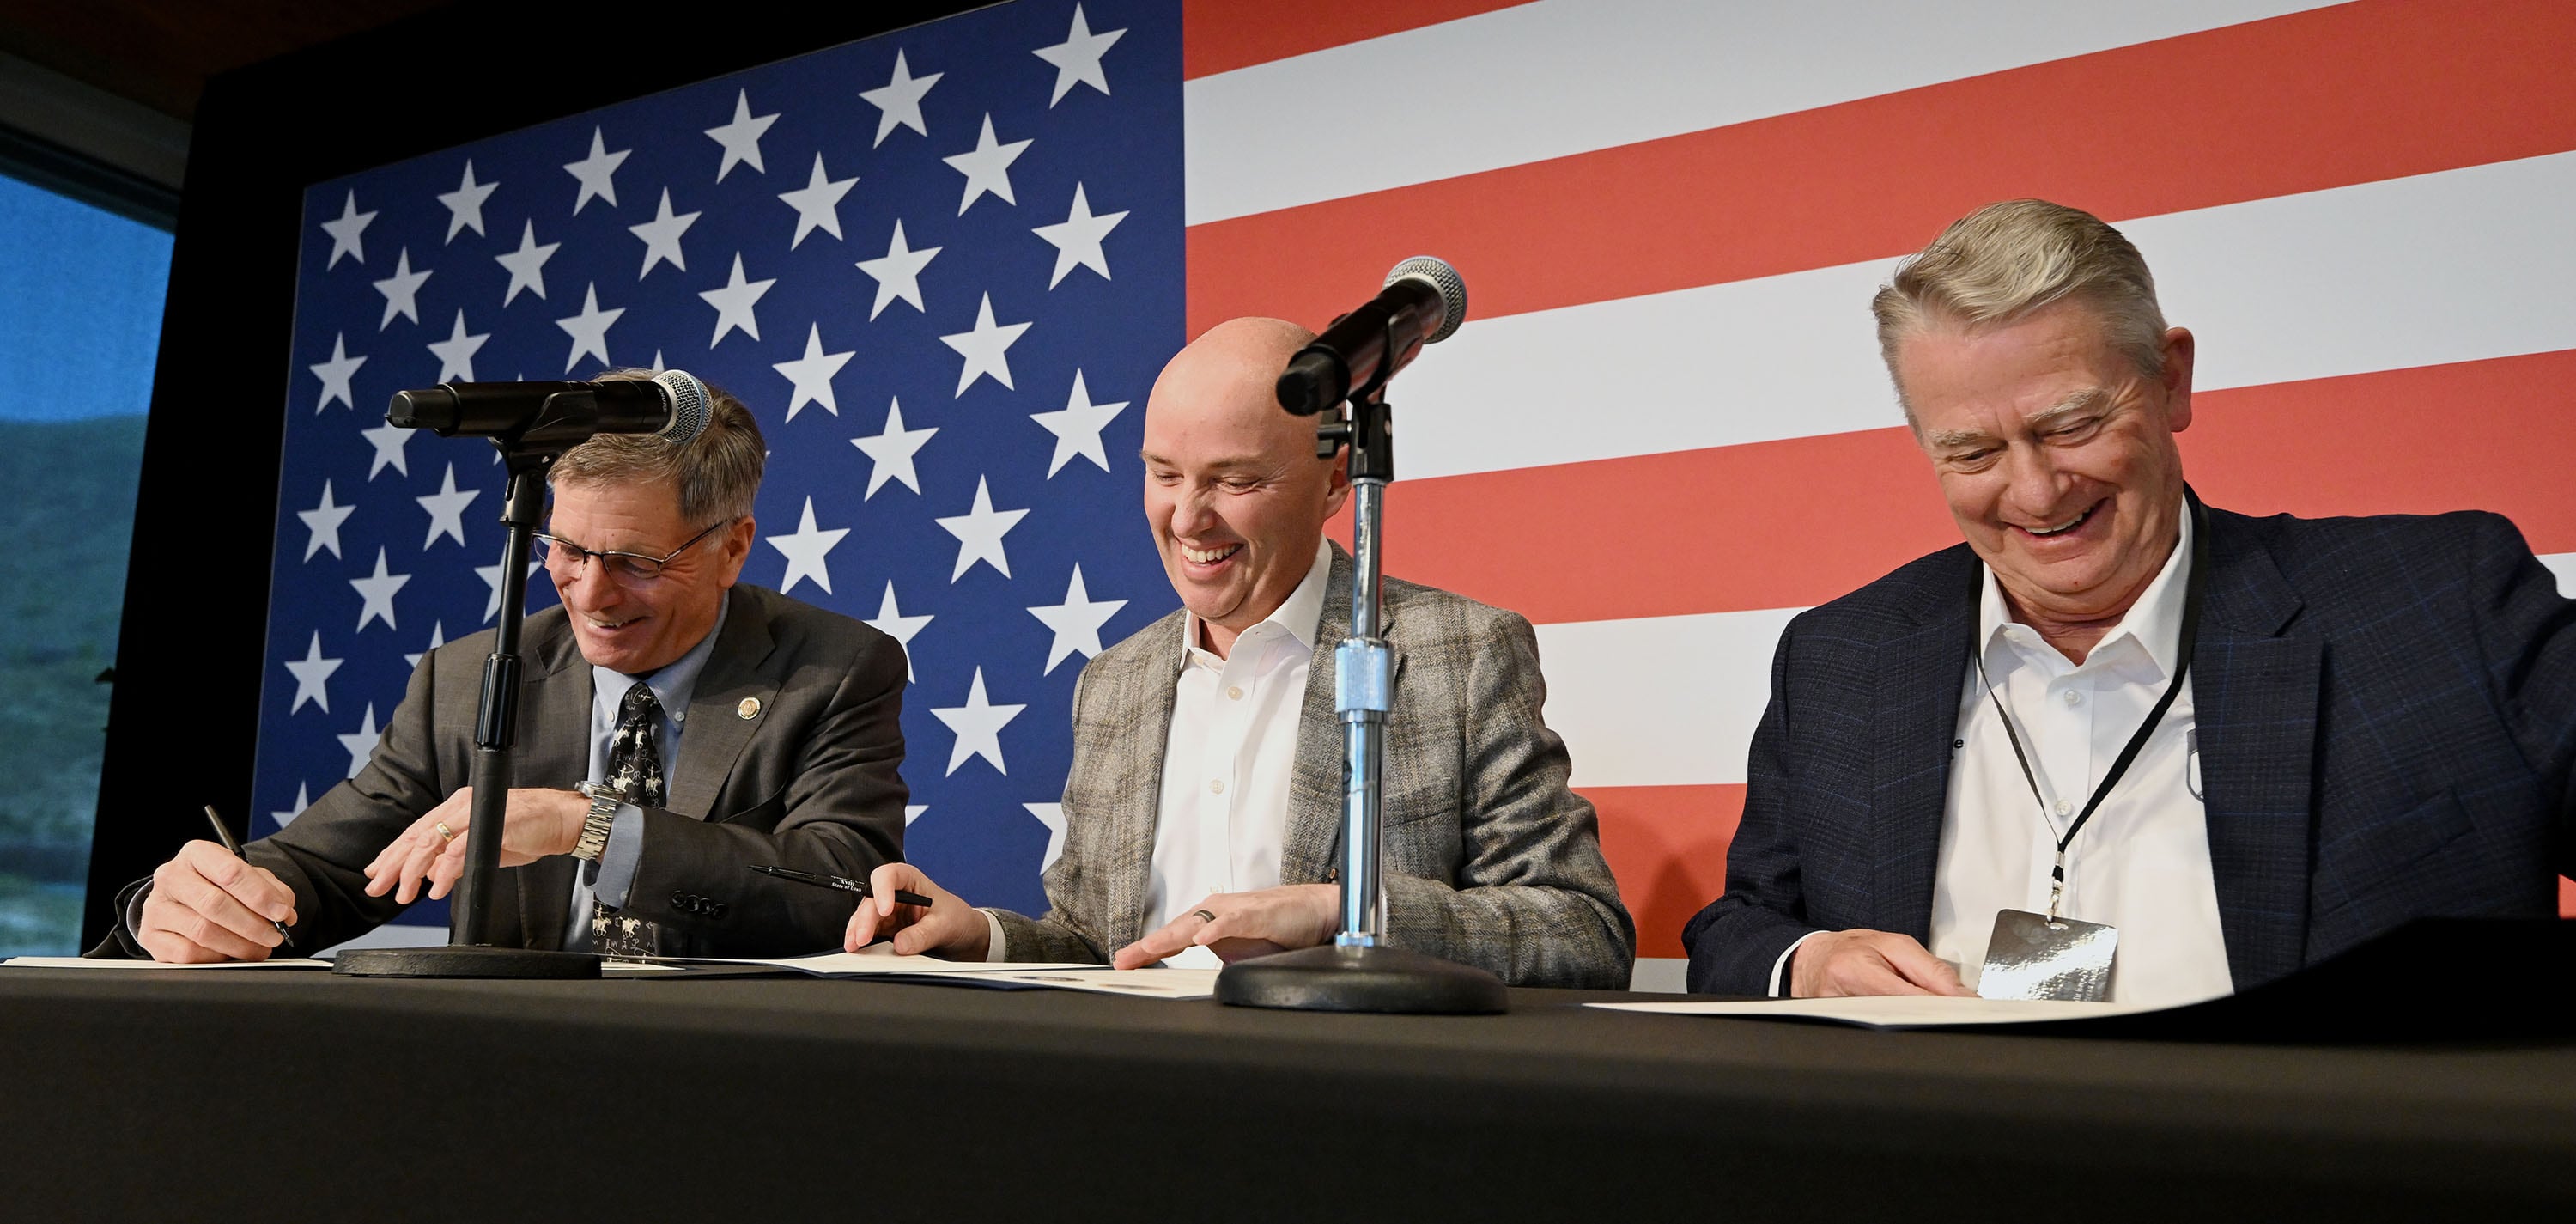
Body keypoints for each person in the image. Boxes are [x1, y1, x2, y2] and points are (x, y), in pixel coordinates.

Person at [1684, 199, 2576, 1006]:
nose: (2034, 492)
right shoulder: (1840, 656)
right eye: (1972, 453)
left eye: (2071, 426)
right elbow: (1739, 930)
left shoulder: (2440, 605)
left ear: (2172, 380)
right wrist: (1803, 963)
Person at [845, 317, 1634, 988]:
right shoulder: (1113, 682)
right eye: (1164, 474)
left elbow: (1583, 930)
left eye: (1234, 480)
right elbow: (1098, 946)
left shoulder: (1459, 655)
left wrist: (1341, 912)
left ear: (1333, 483)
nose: (1189, 518)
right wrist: (983, 936)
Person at [106, 375, 911, 962]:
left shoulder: (835, 668)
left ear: (731, 547)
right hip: (507, 1069)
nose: (590, 593)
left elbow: (840, 886)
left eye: (634, 560)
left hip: (726, 1075)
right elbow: (328, 865)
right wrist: (201, 901)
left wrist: (587, 824)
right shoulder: (470, 677)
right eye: (564, 548)